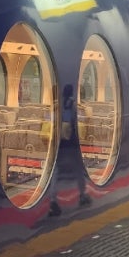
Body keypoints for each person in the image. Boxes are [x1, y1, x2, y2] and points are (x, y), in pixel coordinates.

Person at [49, 84, 91, 216]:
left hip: (59, 145)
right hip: (72, 144)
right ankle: (82, 195)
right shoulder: (74, 107)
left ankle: (53, 200)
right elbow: (80, 123)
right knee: (79, 170)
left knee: (55, 172)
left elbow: (49, 122)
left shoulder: (56, 107)